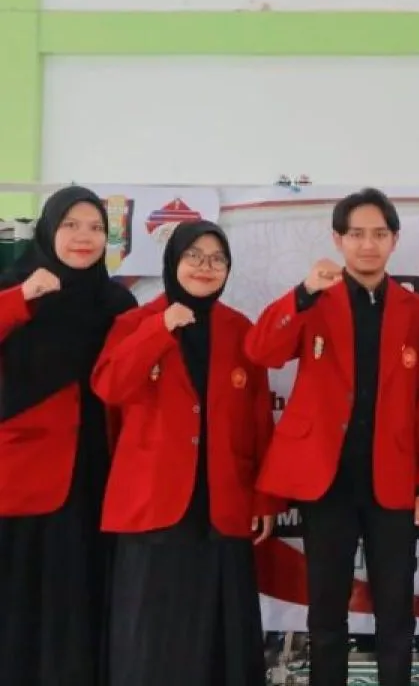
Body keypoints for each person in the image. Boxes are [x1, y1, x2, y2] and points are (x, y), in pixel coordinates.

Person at [245, 188, 419, 686]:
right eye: (356, 234)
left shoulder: (416, 310)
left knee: (396, 611)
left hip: (393, 479)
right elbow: (263, 351)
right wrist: (301, 293)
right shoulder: (316, 298)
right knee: (326, 611)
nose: (368, 244)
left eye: (379, 234)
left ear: (395, 239)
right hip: (327, 479)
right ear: (337, 239)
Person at [92, 220, 282, 686]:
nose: (205, 267)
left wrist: (264, 499)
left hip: (222, 504)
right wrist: (161, 328)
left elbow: (259, 422)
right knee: (151, 637)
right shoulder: (135, 323)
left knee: (221, 639)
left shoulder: (240, 330)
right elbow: (110, 387)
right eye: (193, 256)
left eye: (217, 259)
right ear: (173, 261)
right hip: (152, 504)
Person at [0, 185, 137, 685]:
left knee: (82, 587)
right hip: (25, 473)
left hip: (98, 467)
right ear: (47, 230)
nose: (84, 237)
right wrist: (23, 298)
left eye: (96, 227)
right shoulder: (15, 287)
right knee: (20, 595)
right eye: (71, 225)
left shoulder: (116, 301)